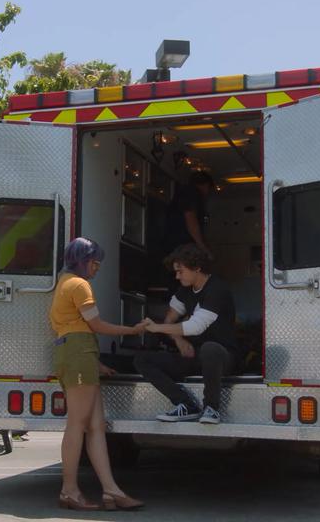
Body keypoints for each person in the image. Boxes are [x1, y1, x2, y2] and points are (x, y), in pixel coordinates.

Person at [49, 237, 145, 511]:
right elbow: (97, 325)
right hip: (79, 353)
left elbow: (77, 328)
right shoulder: (79, 285)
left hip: (79, 353)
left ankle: (110, 490)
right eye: (95, 262)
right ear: (82, 260)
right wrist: (133, 330)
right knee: (78, 424)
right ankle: (69, 490)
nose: (97, 268)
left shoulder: (64, 283)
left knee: (96, 426)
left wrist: (96, 363)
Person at [134, 243, 241, 425]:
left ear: (197, 267)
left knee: (210, 349)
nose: (177, 276)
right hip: (195, 355)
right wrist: (179, 340)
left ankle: (212, 408)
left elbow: (195, 326)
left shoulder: (217, 290)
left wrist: (156, 328)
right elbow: (170, 319)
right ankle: (185, 403)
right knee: (141, 359)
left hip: (223, 357)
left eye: (180, 271)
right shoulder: (185, 290)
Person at [163, 167, 215, 258]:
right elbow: (190, 218)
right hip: (183, 245)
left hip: (174, 243)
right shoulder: (192, 194)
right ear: (205, 185)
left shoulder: (182, 194)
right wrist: (203, 247)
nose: (207, 193)